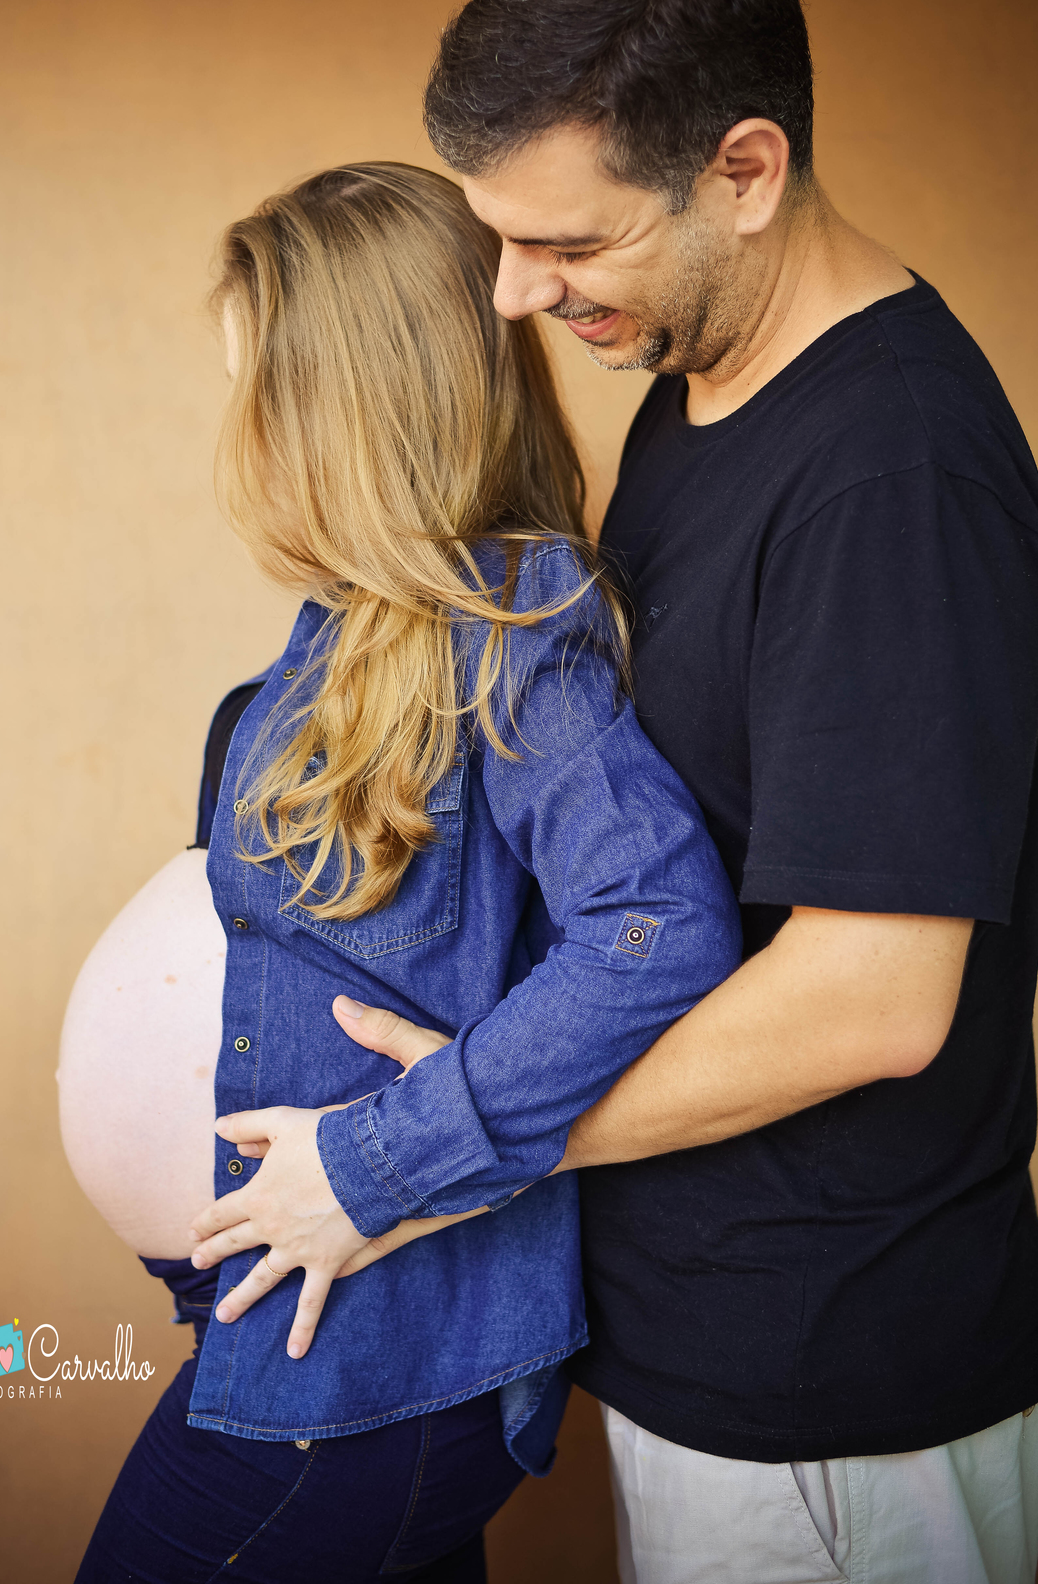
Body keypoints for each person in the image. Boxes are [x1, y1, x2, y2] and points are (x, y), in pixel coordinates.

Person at [210, 0, 1038, 1582]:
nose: (515, 296)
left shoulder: (892, 476)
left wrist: (423, 1151)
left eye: (570, 244)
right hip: (696, 1349)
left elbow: (875, 1001)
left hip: (832, 1396)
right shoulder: (696, 378)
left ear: (745, 172)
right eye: (500, 238)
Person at [73, 160, 742, 1583]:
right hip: (296, 1315)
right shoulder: (342, 637)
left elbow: (659, 928)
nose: (241, 435)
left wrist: (384, 1160)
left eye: (263, 393)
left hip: (377, 1344)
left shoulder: (516, 634)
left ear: (346, 410)